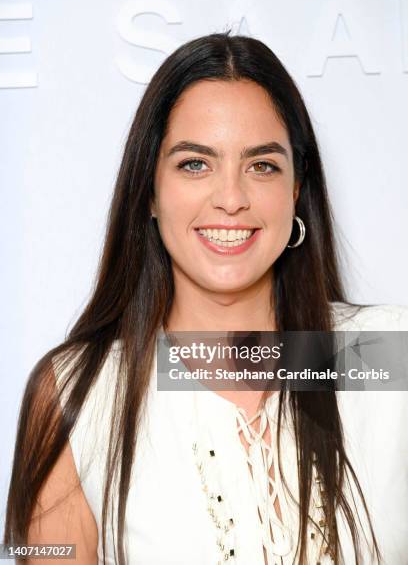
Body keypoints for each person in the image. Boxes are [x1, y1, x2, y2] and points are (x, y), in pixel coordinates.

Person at [3, 31, 408, 565]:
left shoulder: (386, 354)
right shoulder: (77, 392)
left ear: (295, 191)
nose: (231, 199)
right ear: (148, 190)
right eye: (195, 163)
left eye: (262, 165)